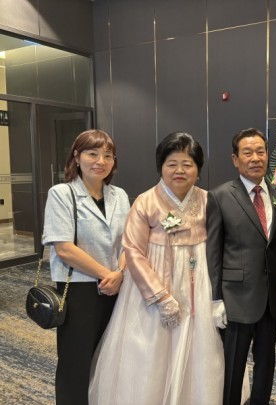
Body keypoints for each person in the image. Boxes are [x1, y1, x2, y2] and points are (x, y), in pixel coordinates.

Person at [89, 132, 225, 404]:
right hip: (152, 284)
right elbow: (133, 251)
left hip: (197, 282)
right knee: (152, 349)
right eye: (171, 164)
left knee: (199, 347)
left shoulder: (208, 200)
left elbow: (217, 247)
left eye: (187, 164)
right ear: (161, 167)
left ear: (198, 169)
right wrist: (160, 297)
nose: (179, 170)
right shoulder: (146, 201)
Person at [42, 129, 130, 405]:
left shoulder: (119, 195)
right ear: (77, 157)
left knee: (110, 357)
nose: (100, 161)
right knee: (76, 361)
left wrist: (120, 274)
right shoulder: (62, 194)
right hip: (79, 289)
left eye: (108, 156)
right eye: (93, 154)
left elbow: (129, 242)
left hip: (117, 288)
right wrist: (108, 275)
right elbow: (64, 248)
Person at [206, 128, 276, 405]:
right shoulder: (219, 196)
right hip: (236, 298)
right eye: (247, 152)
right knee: (233, 367)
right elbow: (213, 252)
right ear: (235, 159)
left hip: (270, 299)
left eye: (260, 151)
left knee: (266, 364)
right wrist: (215, 298)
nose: (255, 158)